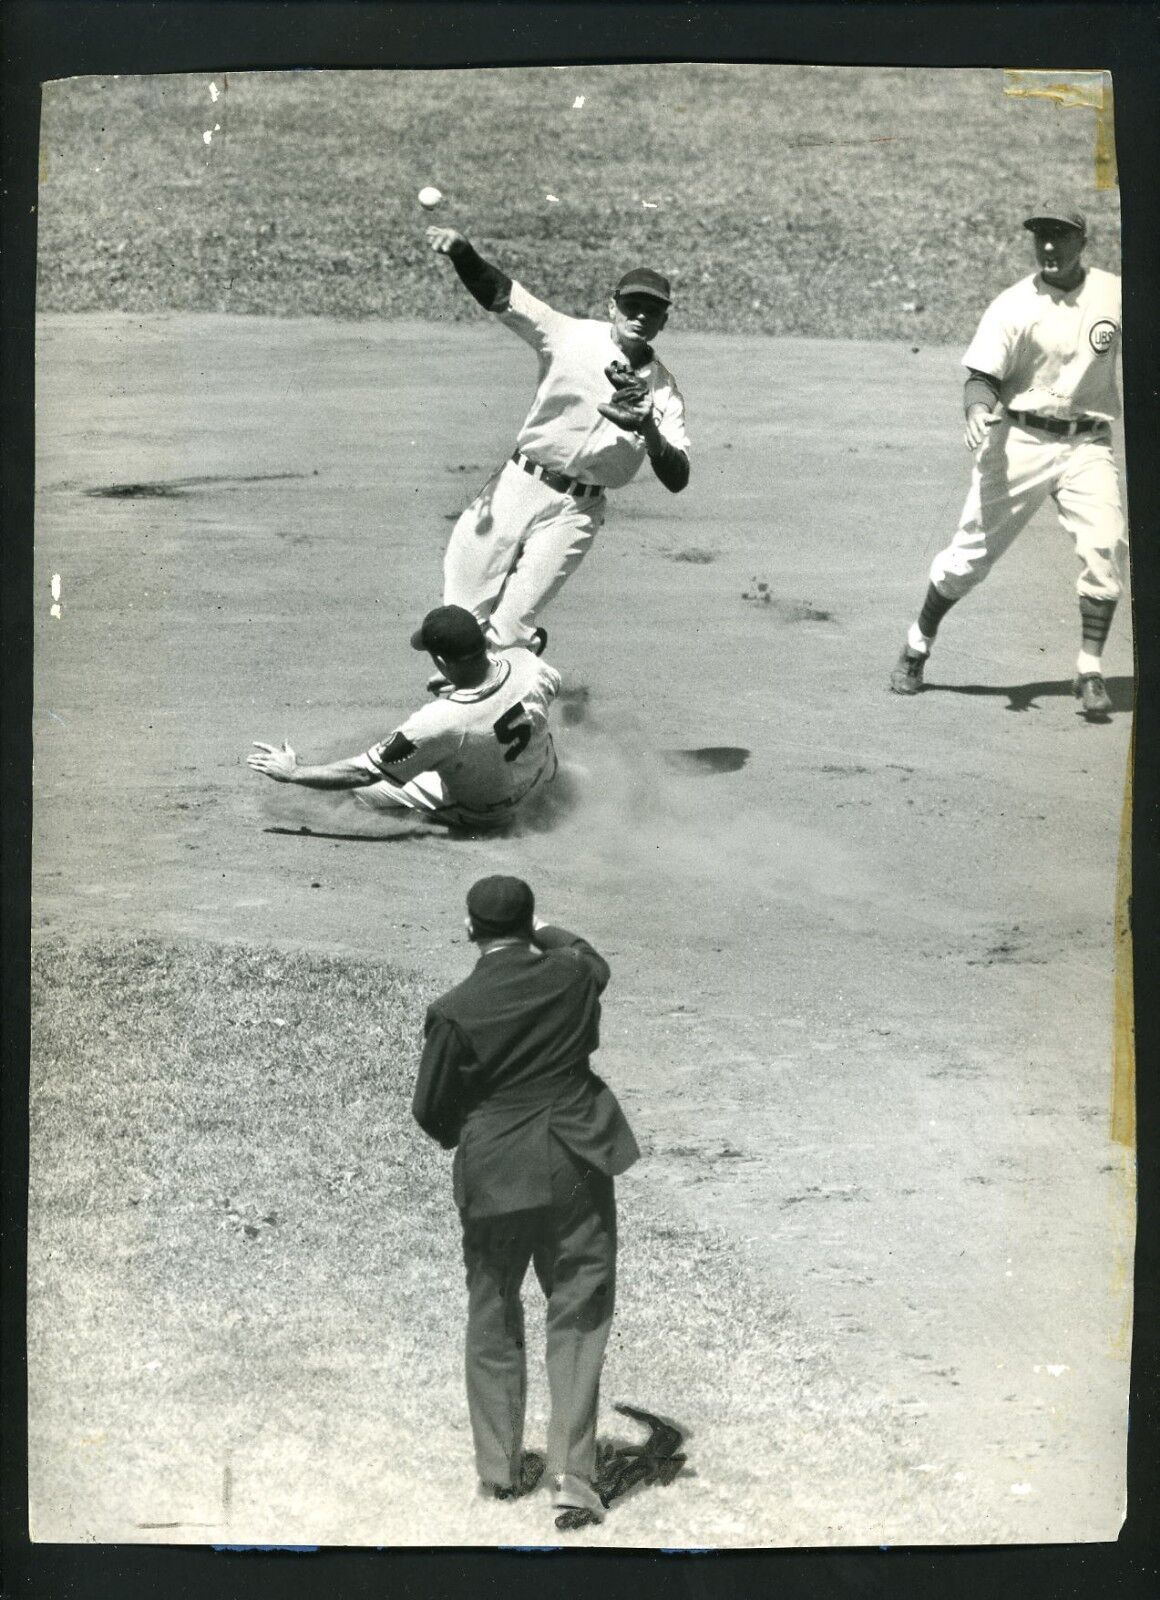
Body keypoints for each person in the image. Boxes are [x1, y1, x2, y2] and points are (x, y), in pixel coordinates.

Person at [412, 876, 640, 1524]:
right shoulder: (570, 976)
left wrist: (477, 1130)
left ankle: (500, 1470)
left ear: (468, 930)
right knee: (578, 1307)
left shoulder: (456, 1009)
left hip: (496, 1167)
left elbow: (431, 1113)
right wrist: (548, 933)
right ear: (530, 925)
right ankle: (574, 1475)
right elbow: (593, 961)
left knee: (492, 1310)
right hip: (576, 1154)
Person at [889, 203, 1127, 718]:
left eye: (1059, 237)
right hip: (1020, 440)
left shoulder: (1113, 292)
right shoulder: (1013, 306)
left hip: (1088, 441)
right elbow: (982, 378)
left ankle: (1088, 669)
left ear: (1081, 243)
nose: (1048, 246)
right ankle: (918, 642)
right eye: (1040, 236)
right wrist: (976, 411)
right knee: (968, 559)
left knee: (1105, 546)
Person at [426, 224, 691, 652]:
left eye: (652, 309)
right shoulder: (569, 335)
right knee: (456, 626)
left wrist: (649, 430)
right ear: (612, 307)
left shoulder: (664, 392)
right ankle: (502, 680)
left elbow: (678, 477)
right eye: (631, 305)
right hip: (519, 486)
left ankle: (515, 694)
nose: (640, 315)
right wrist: (463, 253)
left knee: (508, 631)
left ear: (664, 319)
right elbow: (503, 296)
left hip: (577, 512)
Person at [247, 606, 560, 830]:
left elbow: (362, 773)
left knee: (367, 790)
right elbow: (530, 690)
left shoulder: (438, 721)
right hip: (546, 781)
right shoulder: (526, 662)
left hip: (493, 815)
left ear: (440, 660)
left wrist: (294, 772)